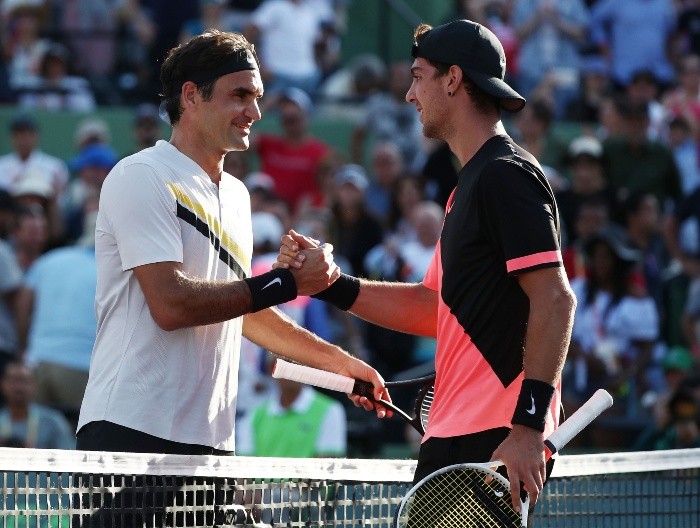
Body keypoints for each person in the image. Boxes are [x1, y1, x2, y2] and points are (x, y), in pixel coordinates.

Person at [276, 19, 576, 516]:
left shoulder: (505, 175)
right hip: (456, 433)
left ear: (453, 79)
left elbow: (556, 298)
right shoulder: (469, 186)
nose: (410, 94)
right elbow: (433, 306)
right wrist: (330, 284)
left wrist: (527, 425)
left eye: (418, 77)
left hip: (494, 435)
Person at [75, 29, 388, 458]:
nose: (255, 112)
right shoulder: (140, 175)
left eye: (257, 97)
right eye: (240, 95)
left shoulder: (238, 196)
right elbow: (171, 305)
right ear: (191, 96)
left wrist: (338, 364)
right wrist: (286, 283)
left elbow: (243, 311)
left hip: (212, 442)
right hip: (130, 429)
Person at [0, 361, 75, 449]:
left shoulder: (53, 422)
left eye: (24, 381)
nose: (18, 387)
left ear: (34, 384)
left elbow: (68, 454)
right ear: (3, 384)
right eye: (13, 381)